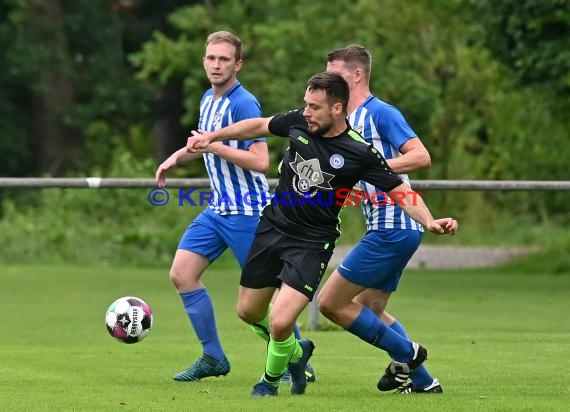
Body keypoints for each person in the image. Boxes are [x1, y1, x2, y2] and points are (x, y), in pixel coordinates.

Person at [186, 71, 458, 396]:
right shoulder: (299, 123)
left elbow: (400, 191)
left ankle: (269, 384)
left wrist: (429, 221)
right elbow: (258, 125)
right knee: (248, 311)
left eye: (315, 107)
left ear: (338, 108)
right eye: (306, 104)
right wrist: (213, 136)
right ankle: (299, 355)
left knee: (280, 321)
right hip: (272, 229)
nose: (307, 112)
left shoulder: (359, 151)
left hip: (312, 242)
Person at [323, 44, 442, 394]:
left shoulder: (381, 113)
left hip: (395, 227)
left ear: (356, 75)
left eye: (336, 74)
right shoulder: (347, 119)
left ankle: (409, 355)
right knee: (369, 307)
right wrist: (355, 187)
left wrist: (371, 169)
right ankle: (424, 383)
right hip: (390, 227)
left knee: (331, 304)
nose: (329, 81)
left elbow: (420, 156)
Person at [154, 31, 271, 382]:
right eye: (211, 58)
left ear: (238, 64)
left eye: (224, 59)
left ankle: (296, 355)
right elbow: (202, 142)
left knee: (257, 302)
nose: (216, 65)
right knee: (182, 274)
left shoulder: (244, 103)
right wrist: (175, 157)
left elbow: (261, 161)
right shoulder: (208, 98)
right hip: (218, 209)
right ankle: (213, 357)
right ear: (204, 61)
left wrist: (214, 146)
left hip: (249, 212)